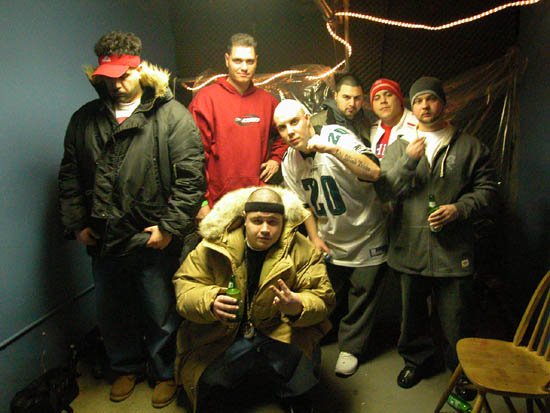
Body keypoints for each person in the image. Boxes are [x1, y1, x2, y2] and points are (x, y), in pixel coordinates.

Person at [58, 31, 205, 408]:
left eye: (123, 76)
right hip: (103, 238)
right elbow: (70, 173)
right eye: (109, 77)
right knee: (112, 312)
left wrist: (169, 228)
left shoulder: (171, 115)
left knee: (160, 312)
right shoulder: (85, 119)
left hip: (150, 238)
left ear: (140, 70)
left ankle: (165, 372)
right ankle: (124, 366)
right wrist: (78, 223)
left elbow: (192, 177)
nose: (117, 85)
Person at [376, 76, 498, 390]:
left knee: (458, 318)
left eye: (431, 99)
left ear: (443, 103)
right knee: (412, 316)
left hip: (453, 251)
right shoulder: (399, 147)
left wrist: (459, 209)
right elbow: (385, 191)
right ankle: (415, 362)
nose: (425, 106)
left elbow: (487, 191)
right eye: (418, 101)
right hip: (409, 248)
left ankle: (461, 372)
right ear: (412, 107)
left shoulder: (471, 147)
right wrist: (409, 160)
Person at [173, 187, 335, 413]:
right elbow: (185, 287)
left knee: (304, 359)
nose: (265, 229)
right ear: (244, 219)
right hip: (227, 331)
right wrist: (210, 301)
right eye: (257, 221)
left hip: (279, 327)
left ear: (283, 222)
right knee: (209, 376)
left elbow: (323, 298)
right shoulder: (214, 245)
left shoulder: (302, 249)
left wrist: (298, 305)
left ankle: (295, 394)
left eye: (273, 222)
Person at [274, 99, 388, 377]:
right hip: (330, 237)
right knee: (325, 291)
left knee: (362, 295)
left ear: (307, 118)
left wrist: (331, 149)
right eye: (282, 127)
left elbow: (374, 171)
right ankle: (322, 333)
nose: (290, 131)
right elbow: (302, 205)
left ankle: (351, 348)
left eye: (294, 122)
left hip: (366, 233)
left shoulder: (335, 136)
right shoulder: (289, 160)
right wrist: (314, 237)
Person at [188, 33, 288, 221]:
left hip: (256, 204)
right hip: (217, 205)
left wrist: (276, 159)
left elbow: (288, 133)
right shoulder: (206, 100)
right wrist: (201, 202)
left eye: (250, 61)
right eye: (238, 60)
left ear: (256, 61)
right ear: (227, 60)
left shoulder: (268, 102)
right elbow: (193, 158)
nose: (244, 67)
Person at [311, 73, 371, 145]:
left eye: (357, 98)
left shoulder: (366, 123)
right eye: (346, 97)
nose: (352, 103)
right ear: (336, 96)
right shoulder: (315, 123)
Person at [369, 78, 417, 159]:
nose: (383, 101)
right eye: (377, 98)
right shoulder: (372, 129)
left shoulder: (418, 125)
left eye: (388, 95)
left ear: (399, 99)